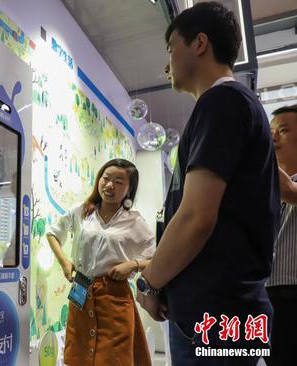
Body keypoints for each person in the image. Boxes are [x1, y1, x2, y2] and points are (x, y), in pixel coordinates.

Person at [135, 2, 280, 365]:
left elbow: (197, 216)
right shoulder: (240, 105)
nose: (166, 65)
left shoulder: (221, 101)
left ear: (200, 44)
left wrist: (150, 282)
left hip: (212, 312)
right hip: (228, 308)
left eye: (171, 49)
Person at [46, 158, 155, 366]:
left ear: (129, 189)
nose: (109, 185)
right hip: (81, 288)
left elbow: (155, 258)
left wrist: (132, 265)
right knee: (79, 356)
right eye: (106, 178)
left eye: (118, 181)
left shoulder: (135, 221)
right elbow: (52, 233)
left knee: (113, 358)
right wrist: (64, 262)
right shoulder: (82, 211)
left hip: (114, 294)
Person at [266, 105, 297, 365]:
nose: (272, 137)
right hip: (269, 297)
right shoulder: (268, 190)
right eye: (271, 131)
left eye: (283, 130)